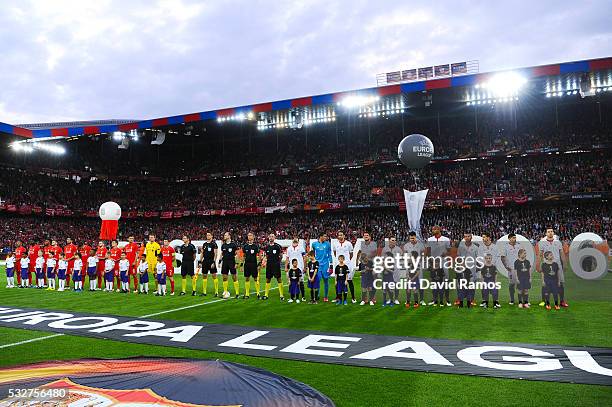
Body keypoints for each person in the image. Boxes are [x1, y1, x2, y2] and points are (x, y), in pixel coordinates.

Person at [537, 228, 567, 308]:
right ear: (546, 233)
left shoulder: (558, 242)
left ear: (553, 233)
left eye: (551, 231)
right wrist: (538, 265)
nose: (550, 233)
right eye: (548, 232)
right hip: (546, 266)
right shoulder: (542, 243)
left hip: (557, 266)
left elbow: (562, 253)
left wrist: (564, 264)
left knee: (560, 283)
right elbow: (540, 255)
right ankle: (544, 301)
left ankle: (562, 301)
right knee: (545, 284)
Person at [426, 226, 451, 306]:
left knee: (446, 281)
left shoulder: (446, 239)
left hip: (443, 263)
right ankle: (434, 299)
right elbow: (428, 252)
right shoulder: (430, 239)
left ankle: (447, 300)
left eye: (435, 229)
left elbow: (449, 251)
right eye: (432, 229)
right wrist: (431, 262)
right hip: (434, 263)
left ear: (439, 230)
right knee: (434, 282)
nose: (433, 230)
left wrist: (445, 253)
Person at [403, 232, 426, 306]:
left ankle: (421, 300)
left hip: (418, 265)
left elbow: (423, 253)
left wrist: (420, 260)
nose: (412, 239)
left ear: (415, 237)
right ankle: (408, 300)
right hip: (409, 266)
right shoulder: (406, 246)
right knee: (408, 282)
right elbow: (405, 255)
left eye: (413, 238)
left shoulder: (420, 245)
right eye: (410, 238)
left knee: (420, 282)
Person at [457, 232, 479, 308]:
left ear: (471, 237)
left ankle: (470, 301)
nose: (467, 238)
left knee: (471, 286)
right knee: (461, 286)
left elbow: (478, 259)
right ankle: (461, 302)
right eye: (465, 236)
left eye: (468, 236)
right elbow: (458, 257)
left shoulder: (476, 248)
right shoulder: (460, 247)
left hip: (472, 270)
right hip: (462, 269)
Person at [477, 233, 499, 307]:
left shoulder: (495, 247)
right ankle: (484, 301)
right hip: (483, 268)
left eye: (484, 237)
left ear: (489, 238)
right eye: (482, 237)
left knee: (494, 285)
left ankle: (496, 301)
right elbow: (479, 258)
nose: (483, 239)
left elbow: (496, 258)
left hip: (493, 269)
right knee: (484, 285)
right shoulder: (480, 247)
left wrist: (491, 265)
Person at [332, 232, 355, 302]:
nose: (340, 236)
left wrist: (346, 261)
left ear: (344, 236)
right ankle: (338, 297)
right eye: (339, 235)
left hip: (347, 264)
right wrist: (339, 261)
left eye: (341, 235)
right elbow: (335, 253)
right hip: (338, 265)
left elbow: (351, 254)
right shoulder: (335, 244)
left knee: (349, 280)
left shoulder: (348, 243)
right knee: (337, 281)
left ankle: (353, 297)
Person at [262, 233, 284, 301]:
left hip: (276, 265)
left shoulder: (278, 246)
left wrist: (277, 262)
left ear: (274, 238)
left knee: (279, 279)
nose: (271, 237)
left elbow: (281, 255)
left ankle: (281, 295)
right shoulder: (267, 247)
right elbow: (266, 256)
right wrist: (264, 261)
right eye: (270, 236)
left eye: (272, 236)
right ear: (268, 237)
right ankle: (266, 294)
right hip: (269, 265)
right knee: (268, 279)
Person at [357, 232, 378, 303]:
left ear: (370, 237)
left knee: (373, 282)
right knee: (364, 281)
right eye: (364, 235)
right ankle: (365, 299)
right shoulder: (362, 244)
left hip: (372, 264)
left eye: (367, 235)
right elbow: (359, 252)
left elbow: (374, 253)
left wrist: (366, 258)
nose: (365, 236)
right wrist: (358, 260)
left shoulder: (373, 244)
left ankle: (372, 298)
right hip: (364, 264)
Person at [500, 233, 520, 305]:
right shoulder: (505, 246)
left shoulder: (519, 245)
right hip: (511, 269)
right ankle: (512, 299)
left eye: (515, 237)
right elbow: (502, 257)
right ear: (509, 238)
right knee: (512, 285)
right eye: (513, 238)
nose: (515, 239)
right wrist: (506, 266)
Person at [311, 232, 332, 302]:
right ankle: (317, 295)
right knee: (318, 280)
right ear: (320, 236)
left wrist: (331, 264)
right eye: (324, 236)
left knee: (326, 280)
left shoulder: (328, 244)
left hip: (325, 264)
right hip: (317, 265)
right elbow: (312, 253)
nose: (326, 238)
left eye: (326, 236)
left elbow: (329, 254)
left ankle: (325, 296)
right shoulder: (314, 244)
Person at [198, 232, 219, 297]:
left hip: (211, 261)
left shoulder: (214, 244)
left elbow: (215, 254)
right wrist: (200, 261)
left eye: (209, 235)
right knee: (204, 276)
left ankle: (216, 292)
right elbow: (202, 253)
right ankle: (204, 292)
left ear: (212, 236)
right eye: (207, 235)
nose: (208, 236)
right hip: (205, 261)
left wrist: (213, 262)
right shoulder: (204, 244)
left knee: (214, 276)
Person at [220, 232, 239, 298]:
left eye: (225, 235)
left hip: (232, 262)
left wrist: (236, 263)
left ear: (229, 236)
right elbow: (222, 253)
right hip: (225, 262)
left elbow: (237, 254)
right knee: (224, 277)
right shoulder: (223, 245)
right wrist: (220, 261)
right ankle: (225, 291)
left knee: (234, 277)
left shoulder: (233, 244)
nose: (224, 236)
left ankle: (237, 293)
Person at [242, 232, 261, 299]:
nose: (249, 236)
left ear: (253, 237)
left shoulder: (256, 246)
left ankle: (258, 293)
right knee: (247, 278)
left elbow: (259, 256)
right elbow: (244, 256)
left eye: (250, 235)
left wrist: (259, 264)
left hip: (254, 264)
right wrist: (242, 264)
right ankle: (247, 294)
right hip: (247, 264)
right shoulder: (245, 246)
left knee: (255, 278)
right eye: (248, 235)